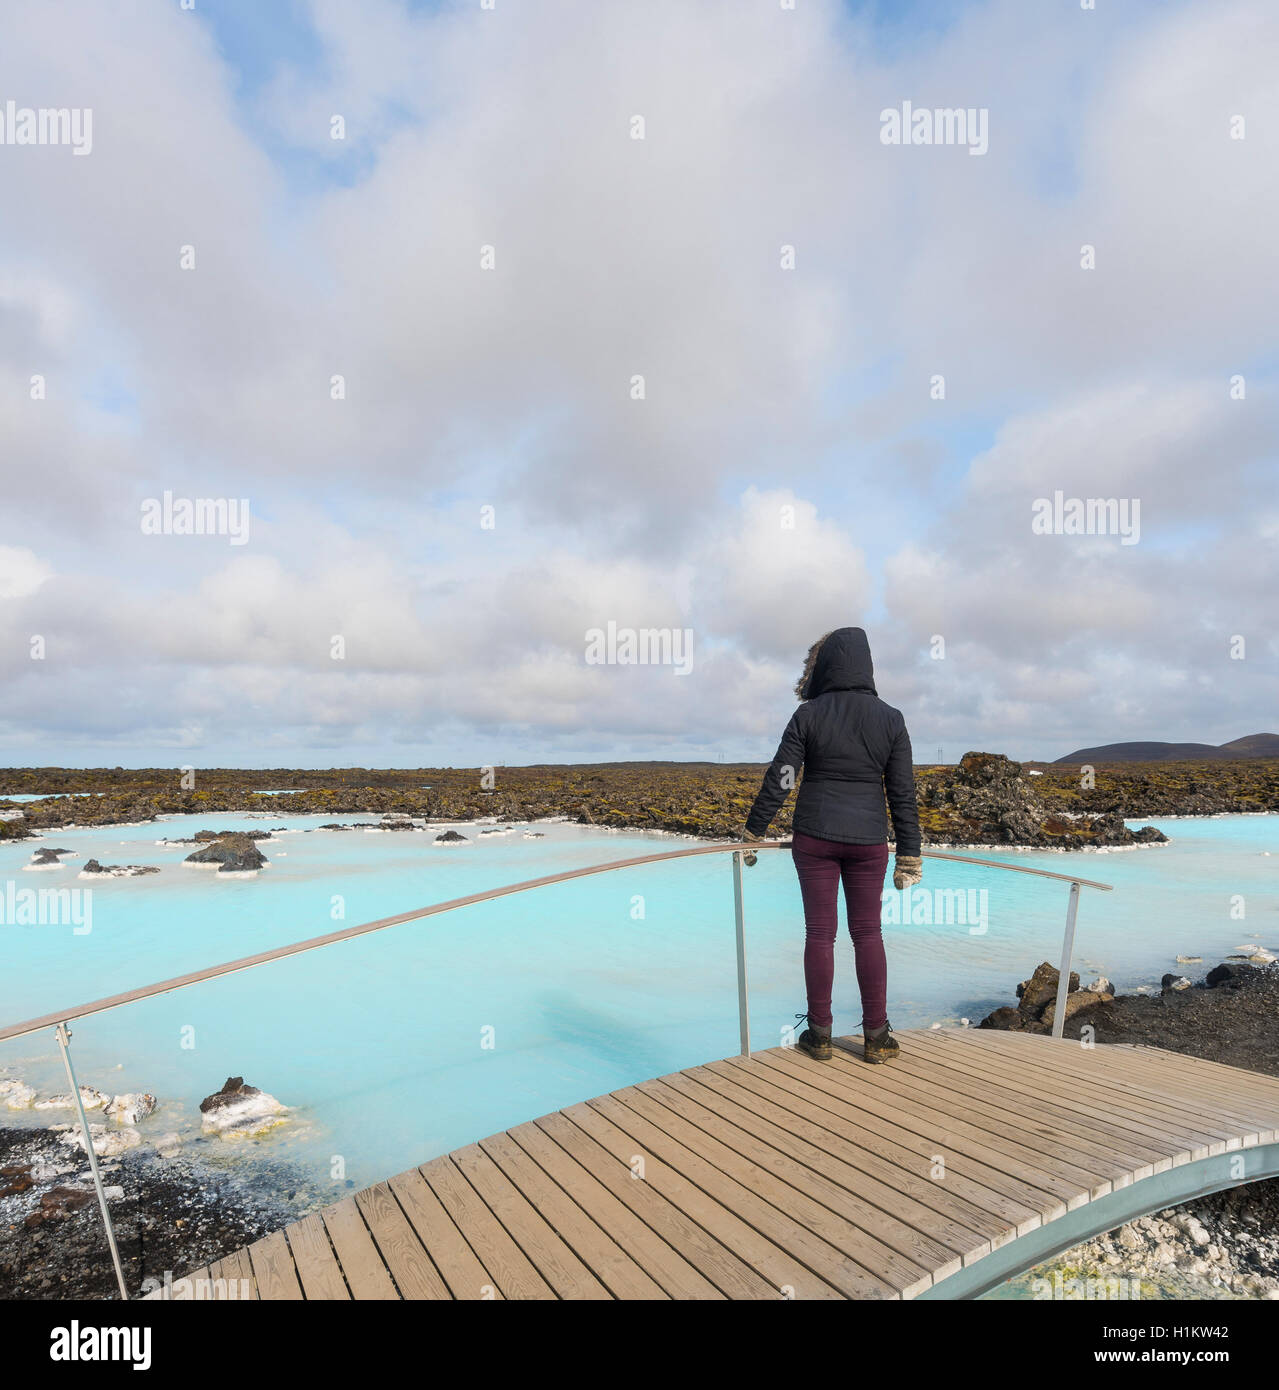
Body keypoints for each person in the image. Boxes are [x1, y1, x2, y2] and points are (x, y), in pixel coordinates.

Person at [743, 627, 921, 1064]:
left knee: (820, 934)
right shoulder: (891, 719)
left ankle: (820, 1034)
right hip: (868, 843)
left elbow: (782, 777)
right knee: (868, 933)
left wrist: (753, 830)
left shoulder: (809, 714)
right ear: (867, 665)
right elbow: (902, 792)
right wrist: (909, 854)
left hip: (815, 837)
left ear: (825, 665)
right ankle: (876, 1036)